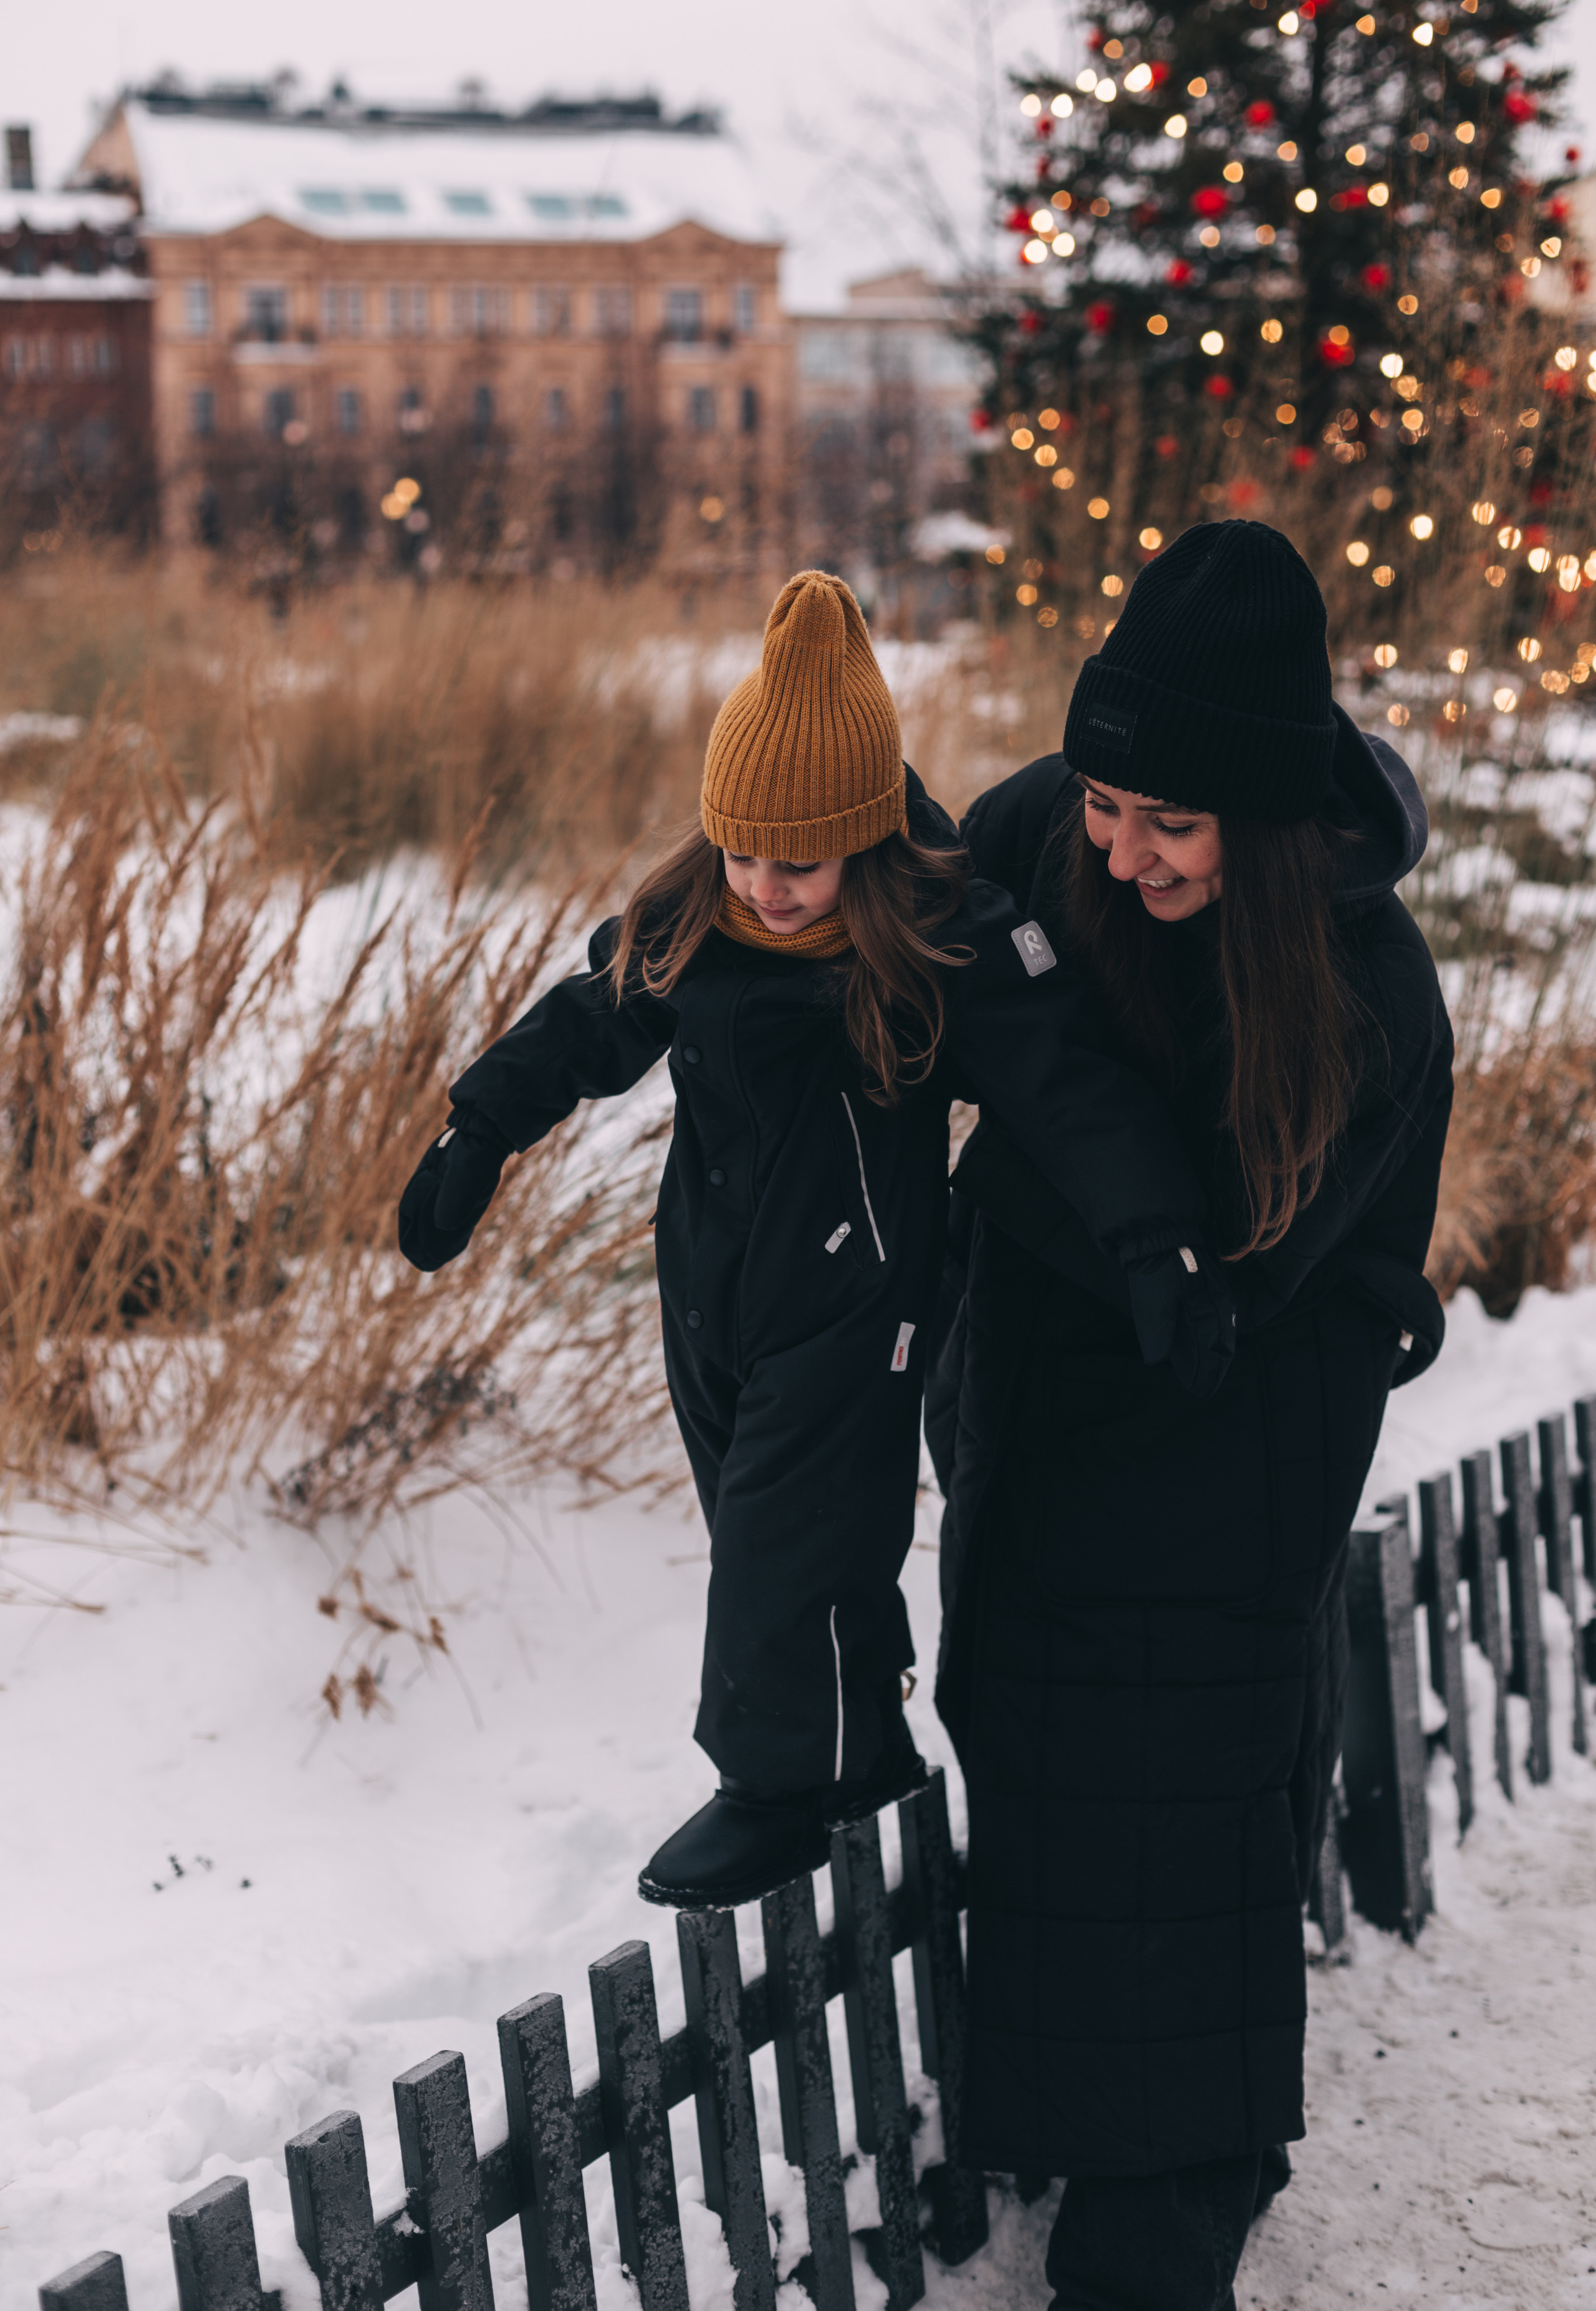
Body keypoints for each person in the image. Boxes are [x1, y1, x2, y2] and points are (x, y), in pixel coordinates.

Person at [398, 569, 1234, 1911]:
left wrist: (1156, 1243)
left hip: (859, 1302)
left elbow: (1072, 1091)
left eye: (798, 862)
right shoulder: (696, 919)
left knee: (788, 1543)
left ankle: (775, 1787)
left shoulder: (939, 939)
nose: (768, 890)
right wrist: (476, 1130)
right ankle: (863, 1747)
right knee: (766, 1531)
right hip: (709, 1290)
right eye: (742, 853)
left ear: (860, 836)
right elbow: (584, 1022)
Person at [929, 520, 1453, 2311]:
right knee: (1045, 1752)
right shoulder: (1061, 827)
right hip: (1052, 1407)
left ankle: (1178, 2189)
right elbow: (919, 911)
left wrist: (1029, 1117)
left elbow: (1235, 1255)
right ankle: (1109, 2128)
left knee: (1182, 1785)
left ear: (1266, 821)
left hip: (1237, 1427)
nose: (1120, 849)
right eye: (1104, 804)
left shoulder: (1365, 995)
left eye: (1171, 825)